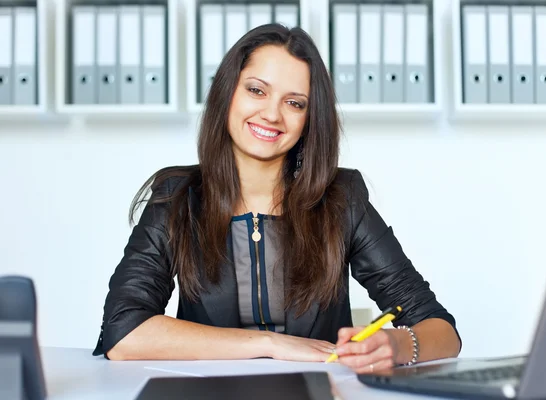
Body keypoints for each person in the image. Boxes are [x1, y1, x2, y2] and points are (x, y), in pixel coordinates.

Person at [92, 23, 461, 373]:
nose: (271, 113)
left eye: (294, 103)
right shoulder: (177, 197)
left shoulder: (342, 199)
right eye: (256, 90)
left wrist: (396, 345)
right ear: (227, 94)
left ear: (309, 119)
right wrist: (269, 344)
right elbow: (124, 331)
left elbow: (442, 331)